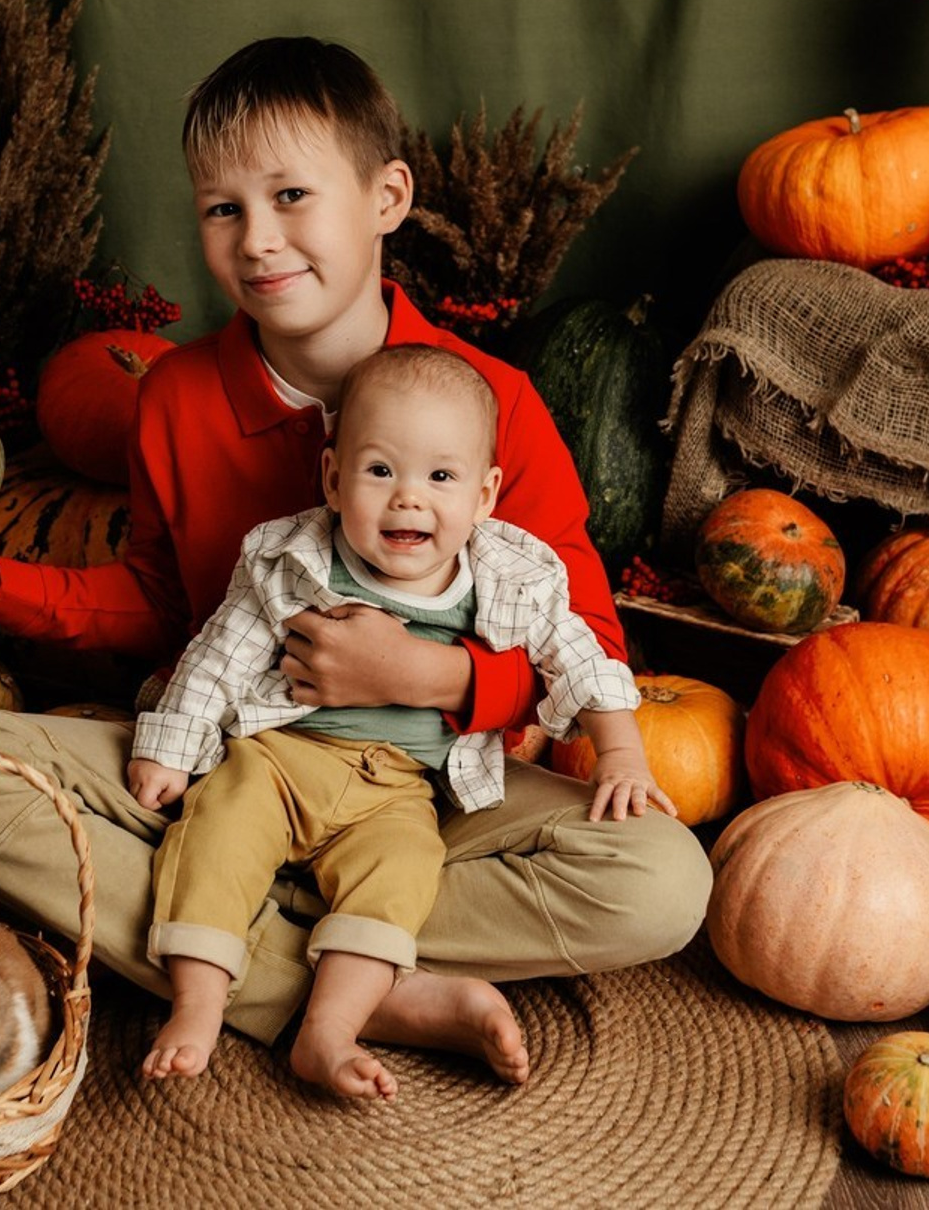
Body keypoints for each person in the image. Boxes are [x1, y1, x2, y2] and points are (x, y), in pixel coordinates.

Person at [0, 36, 712, 1087]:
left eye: (291, 195)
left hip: (428, 793)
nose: (257, 240)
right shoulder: (175, 398)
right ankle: (365, 982)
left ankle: (232, 928)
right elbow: (164, 608)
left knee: (659, 880)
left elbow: (588, 641)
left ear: (386, 195)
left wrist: (427, 676)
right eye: (222, 209)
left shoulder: (492, 405)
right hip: (233, 758)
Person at [128, 344, 674, 1098]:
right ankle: (197, 1005)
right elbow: (217, 656)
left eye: (440, 478)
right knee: (216, 829)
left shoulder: (513, 575)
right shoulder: (291, 560)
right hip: (282, 759)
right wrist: (169, 751)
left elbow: (578, 659)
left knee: (401, 877)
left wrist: (620, 753)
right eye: (380, 471)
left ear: (485, 495)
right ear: (333, 477)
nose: (408, 499)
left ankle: (328, 1030)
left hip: (401, 793)